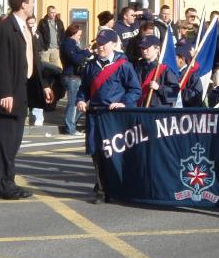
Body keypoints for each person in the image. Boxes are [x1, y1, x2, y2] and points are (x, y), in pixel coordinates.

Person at [0, 0, 53, 200]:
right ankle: (4, 186)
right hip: (9, 93)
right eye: (31, 1)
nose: (33, 5)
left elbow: (33, 61)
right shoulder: (5, 29)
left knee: (14, 143)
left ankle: (9, 182)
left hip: (22, 90)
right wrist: (4, 92)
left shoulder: (24, 27)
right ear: (23, 4)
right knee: (6, 143)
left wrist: (44, 85)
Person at [76, 28, 141, 203]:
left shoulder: (124, 65)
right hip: (95, 115)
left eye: (104, 44)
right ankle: (100, 189)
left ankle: (117, 188)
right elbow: (84, 88)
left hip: (113, 117)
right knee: (96, 152)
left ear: (113, 44)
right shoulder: (91, 65)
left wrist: (124, 103)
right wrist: (81, 100)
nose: (100, 47)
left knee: (113, 152)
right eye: (98, 44)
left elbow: (135, 90)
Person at [60, 23, 91, 135]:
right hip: (71, 77)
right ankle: (70, 128)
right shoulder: (67, 44)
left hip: (75, 76)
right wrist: (87, 52)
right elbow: (76, 59)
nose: (79, 37)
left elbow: (78, 54)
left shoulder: (73, 44)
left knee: (79, 102)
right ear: (73, 34)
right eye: (78, 35)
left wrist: (86, 51)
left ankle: (72, 124)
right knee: (73, 103)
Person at [134, 35, 180, 107]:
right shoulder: (139, 66)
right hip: (141, 108)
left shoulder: (166, 68)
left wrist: (159, 88)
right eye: (142, 48)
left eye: (147, 48)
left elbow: (174, 92)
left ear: (157, 49)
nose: (144, 50)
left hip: (158, 111)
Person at [27, 15, 46, 126]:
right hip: (26, 67)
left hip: (36, 66)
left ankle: (38, 116)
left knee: (37, 90)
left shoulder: (36, 34)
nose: (32, 26)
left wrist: (35, 37)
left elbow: (40, 48)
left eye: (33, 23)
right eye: (30, 23)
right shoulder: (23, 33)